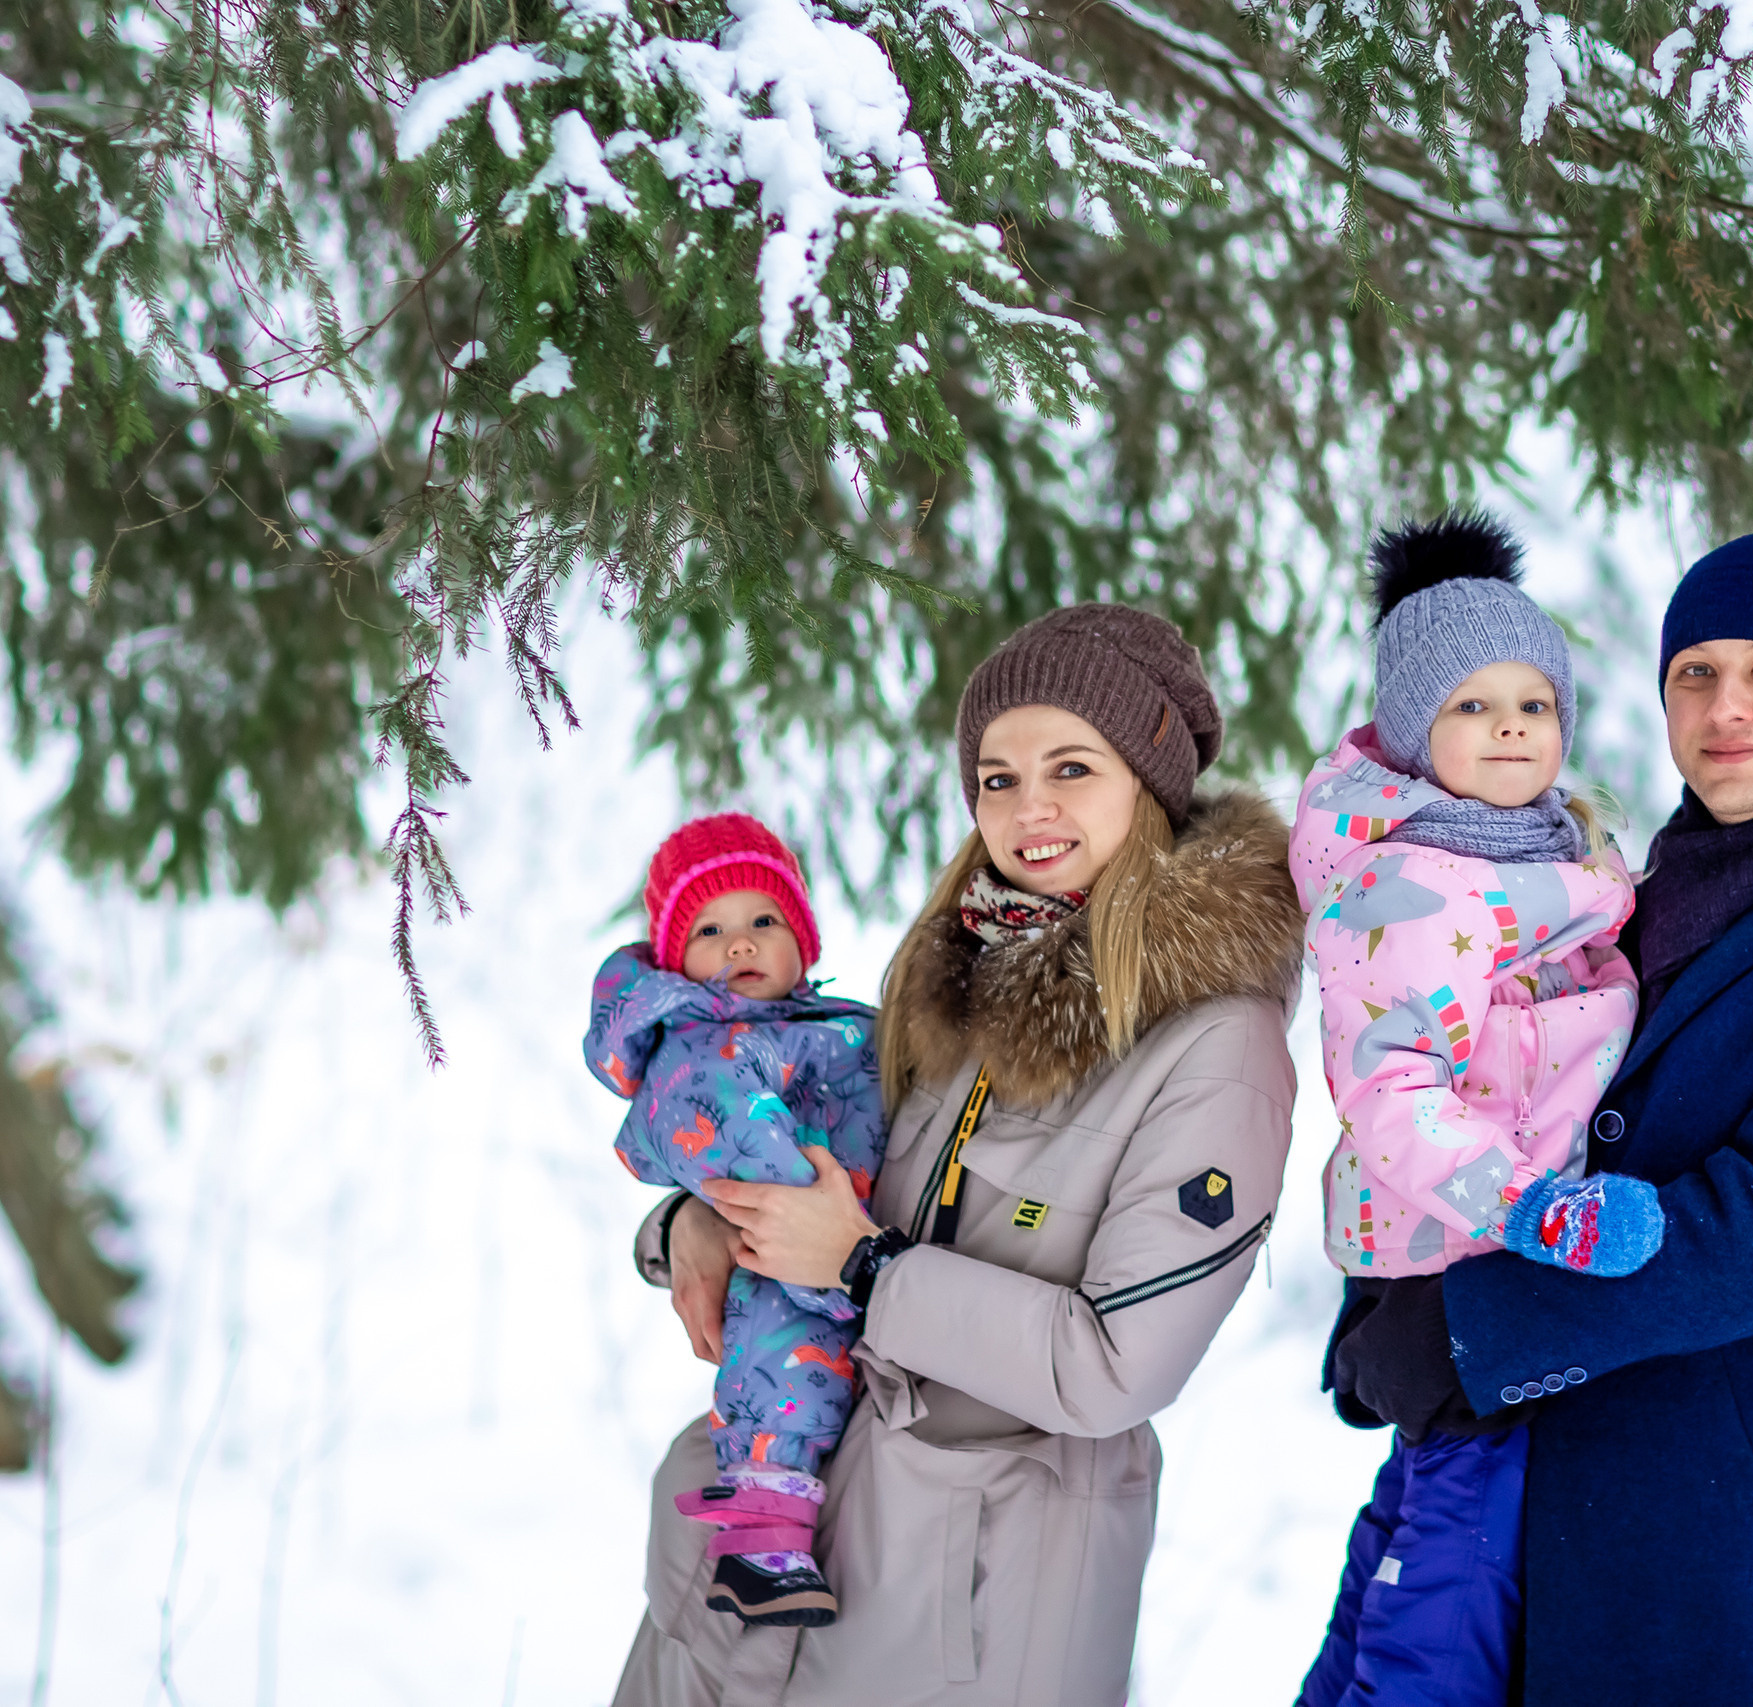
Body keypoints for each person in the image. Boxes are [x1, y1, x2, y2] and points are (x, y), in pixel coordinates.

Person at [1327, 529, 1753, 1704]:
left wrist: (1464, 1332)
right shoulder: (1601, 910)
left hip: (1750, 1592)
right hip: (1529, 1560)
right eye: (1693, 671)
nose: (1725, 704)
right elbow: (1474, 1086)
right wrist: (1386, 1309)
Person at [612, 604, 1309, 1706]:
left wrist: (865, 1271)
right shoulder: (951, 977)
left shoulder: (1217, 1045)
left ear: (1150, 777)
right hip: (761, 1572)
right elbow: (823, 1166)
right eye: (996, 777)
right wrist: (692, 1222)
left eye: (1069, 768)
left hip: (965, 1612)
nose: (1027, 808)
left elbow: (1114, 1367)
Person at [1290, 516, 1655, 1707]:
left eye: (1532, 703)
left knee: (1424, 1520)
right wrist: (1536, 1208)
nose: (1509, 727)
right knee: (1455, 1564)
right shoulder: (1410, 889)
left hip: (1490, 1257)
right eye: (1470, 706)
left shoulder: (1543, 858)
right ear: (1409, 731)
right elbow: (1391, 1094)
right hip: (1470, 1260)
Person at [585, 813, 882, 1627]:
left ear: (805, 944)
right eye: (711, 928)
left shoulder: (834, 1024)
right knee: (787, 1375)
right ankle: (760, 1544)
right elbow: (746, 1150)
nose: (741, 944)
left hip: (845, 1249)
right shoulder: (697, 1048)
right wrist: (846, 1272)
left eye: (764, 921)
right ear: (675, 957)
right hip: (794, 1262)